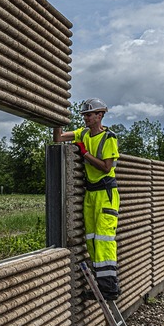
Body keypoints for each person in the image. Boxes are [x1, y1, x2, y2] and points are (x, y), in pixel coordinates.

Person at [55, 99, 120, 301]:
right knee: (92, 241)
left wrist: (85, 153)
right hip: (90, 194)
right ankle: (101, 286)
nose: (85, 117)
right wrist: (56, 115)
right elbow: (58, 138)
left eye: (89, 114)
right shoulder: (82, 133)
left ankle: (110, 288)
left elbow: (106, 167)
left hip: (106, 194)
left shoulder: (109, 137)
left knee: (104, 239)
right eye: (84, 114)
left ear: (99, 116)